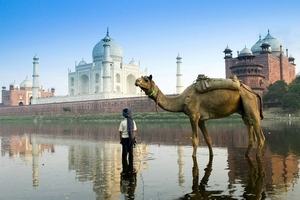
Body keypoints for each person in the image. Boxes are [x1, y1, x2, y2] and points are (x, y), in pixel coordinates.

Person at [119, 108, 137, 173]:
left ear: (124, 115)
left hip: (124, 139)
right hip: (131, 139)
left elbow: (120, 132)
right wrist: (134, 138)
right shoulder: (133, 122)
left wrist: (120, 139)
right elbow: (134, 131)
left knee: (124, 152)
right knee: (131, 152)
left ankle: (125, 168)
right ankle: (130, 167)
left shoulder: (122, 122)